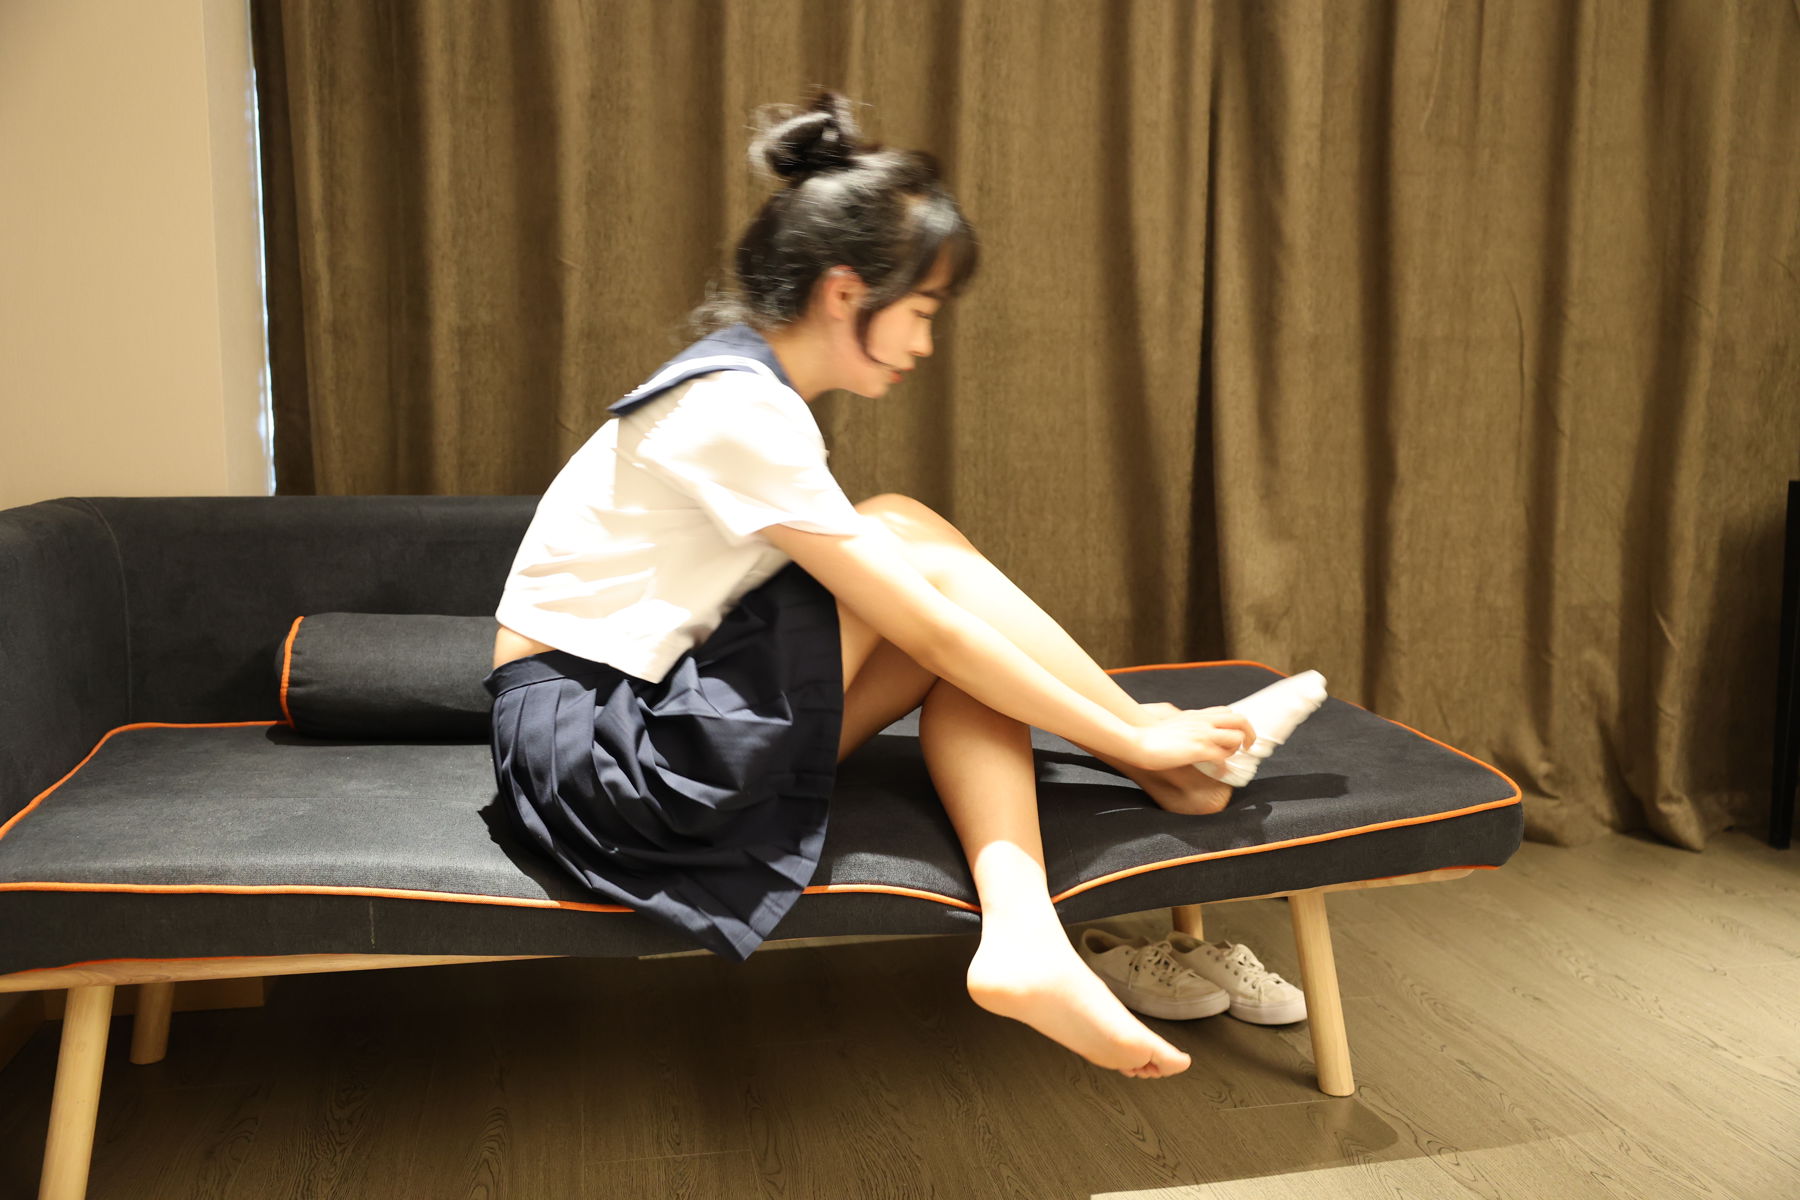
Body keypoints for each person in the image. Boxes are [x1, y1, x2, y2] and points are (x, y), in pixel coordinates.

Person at [483, 87, 1270, 1082]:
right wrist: (1127, 738)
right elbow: (929, 621)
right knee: (905, 538)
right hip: (605, 763)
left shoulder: (745, 389)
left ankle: (1024, 935)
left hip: (623, 729)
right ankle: (1145, 748)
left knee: (925, 585)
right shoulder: (736, 409)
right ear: (846, 292)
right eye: (923, 311)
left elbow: (934, 642)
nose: (927, 344)